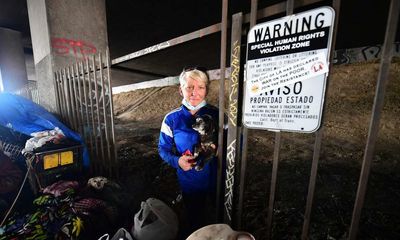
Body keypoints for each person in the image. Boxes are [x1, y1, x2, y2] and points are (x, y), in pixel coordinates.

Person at [158, 67, 219, 236]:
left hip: (218, 178)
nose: (195, 92)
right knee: (195, 220)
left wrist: (220, 150)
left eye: (200, 87)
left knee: (220, 217)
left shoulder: (219, 115)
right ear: (180, 89)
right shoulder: (171, 119)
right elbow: (162, 149)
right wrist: (177, 161)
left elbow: (237, 141)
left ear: (206, 89)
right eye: (189, 87)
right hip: (189, 181)